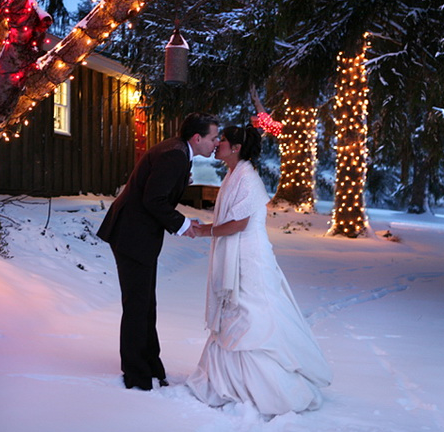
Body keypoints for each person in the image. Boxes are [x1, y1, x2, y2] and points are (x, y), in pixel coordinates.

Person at [186, 124, 332, 416]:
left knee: (251, 315)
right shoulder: (232, 175)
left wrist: (204, 232)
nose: (217, 144)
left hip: (249, 259)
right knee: (234, 314)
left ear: (237, 147)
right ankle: (225, 381)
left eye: (223, 140)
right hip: (236, 254)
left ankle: (273, 390)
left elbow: (239, 223)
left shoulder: (248, 179)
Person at [97, 112, 221, 391]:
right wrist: (184, 224)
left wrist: (179, 182)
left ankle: (149, 365)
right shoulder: (175, 155)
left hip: (137, 234)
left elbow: (156, 190)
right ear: (197, 138)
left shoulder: (177, 152)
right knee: (138, 306)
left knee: (144, 305)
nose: (216, 142)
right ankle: (136, 374)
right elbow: (153, 200)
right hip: (132, 235)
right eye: (213, 137)